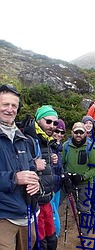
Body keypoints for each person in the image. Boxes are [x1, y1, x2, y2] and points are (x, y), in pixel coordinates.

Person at [0, 84, 40, 249]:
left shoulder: (22, 137)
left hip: (27, 215)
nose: (10, 109)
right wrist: (14, 178)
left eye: (14, 105)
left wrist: (36, 181)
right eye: (5, 104)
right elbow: (17, 177)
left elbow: (31, 168)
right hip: (4, 217)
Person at [23, 105, 59, 249]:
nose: (52, 126)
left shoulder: (46, 140)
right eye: (48, 121)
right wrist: (33, 164)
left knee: (51, 238)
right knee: (41, 242)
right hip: (35, 203)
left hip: (47, 199)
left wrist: (52, 159)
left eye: (55, 123)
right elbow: (17, 165)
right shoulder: (28, 139)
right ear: (38, 120)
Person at [62, 122, 95, 240]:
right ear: (72, 132)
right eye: (76, 132)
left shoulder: (91, 146)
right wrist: (66, 174)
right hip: (70, 182)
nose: (78, 134)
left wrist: (83, 176)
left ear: (85, 133)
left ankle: (84, 232)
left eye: (81, 132)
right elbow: (63, 163)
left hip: (85, 182)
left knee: (84, 208)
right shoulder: (66, 146)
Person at [50, 119, 66, 238]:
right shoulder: (49, 146)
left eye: (62, 132)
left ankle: (54, 238)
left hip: (57, 187)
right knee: (53, 215)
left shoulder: (59, 148)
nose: (59, 134)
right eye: (57, 131)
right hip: (50, 187)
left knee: (54, 214)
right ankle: (54, 238)